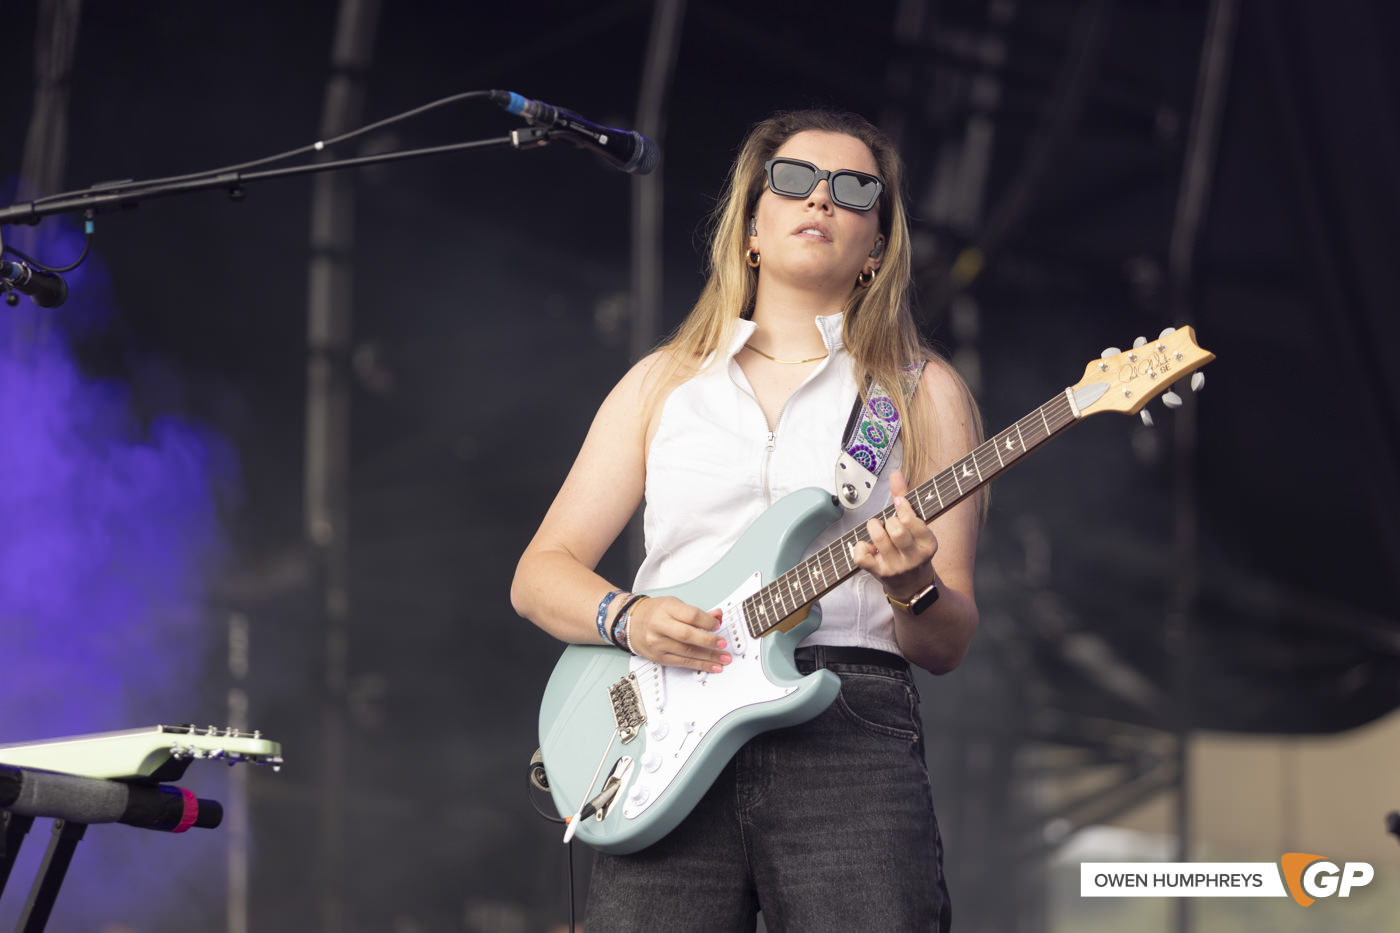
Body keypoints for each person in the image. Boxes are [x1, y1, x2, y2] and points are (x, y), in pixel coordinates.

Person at [511, 108, 983, 931]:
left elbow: (946, 643)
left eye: (855, 189)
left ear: (877, 245)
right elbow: (539, 574)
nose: (822, 199)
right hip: (662, 719)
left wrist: (912, 584)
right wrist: (629, 617)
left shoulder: (918, 391)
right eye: (795, 180)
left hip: (847, 725)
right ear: (753, 225)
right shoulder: (664, 382)